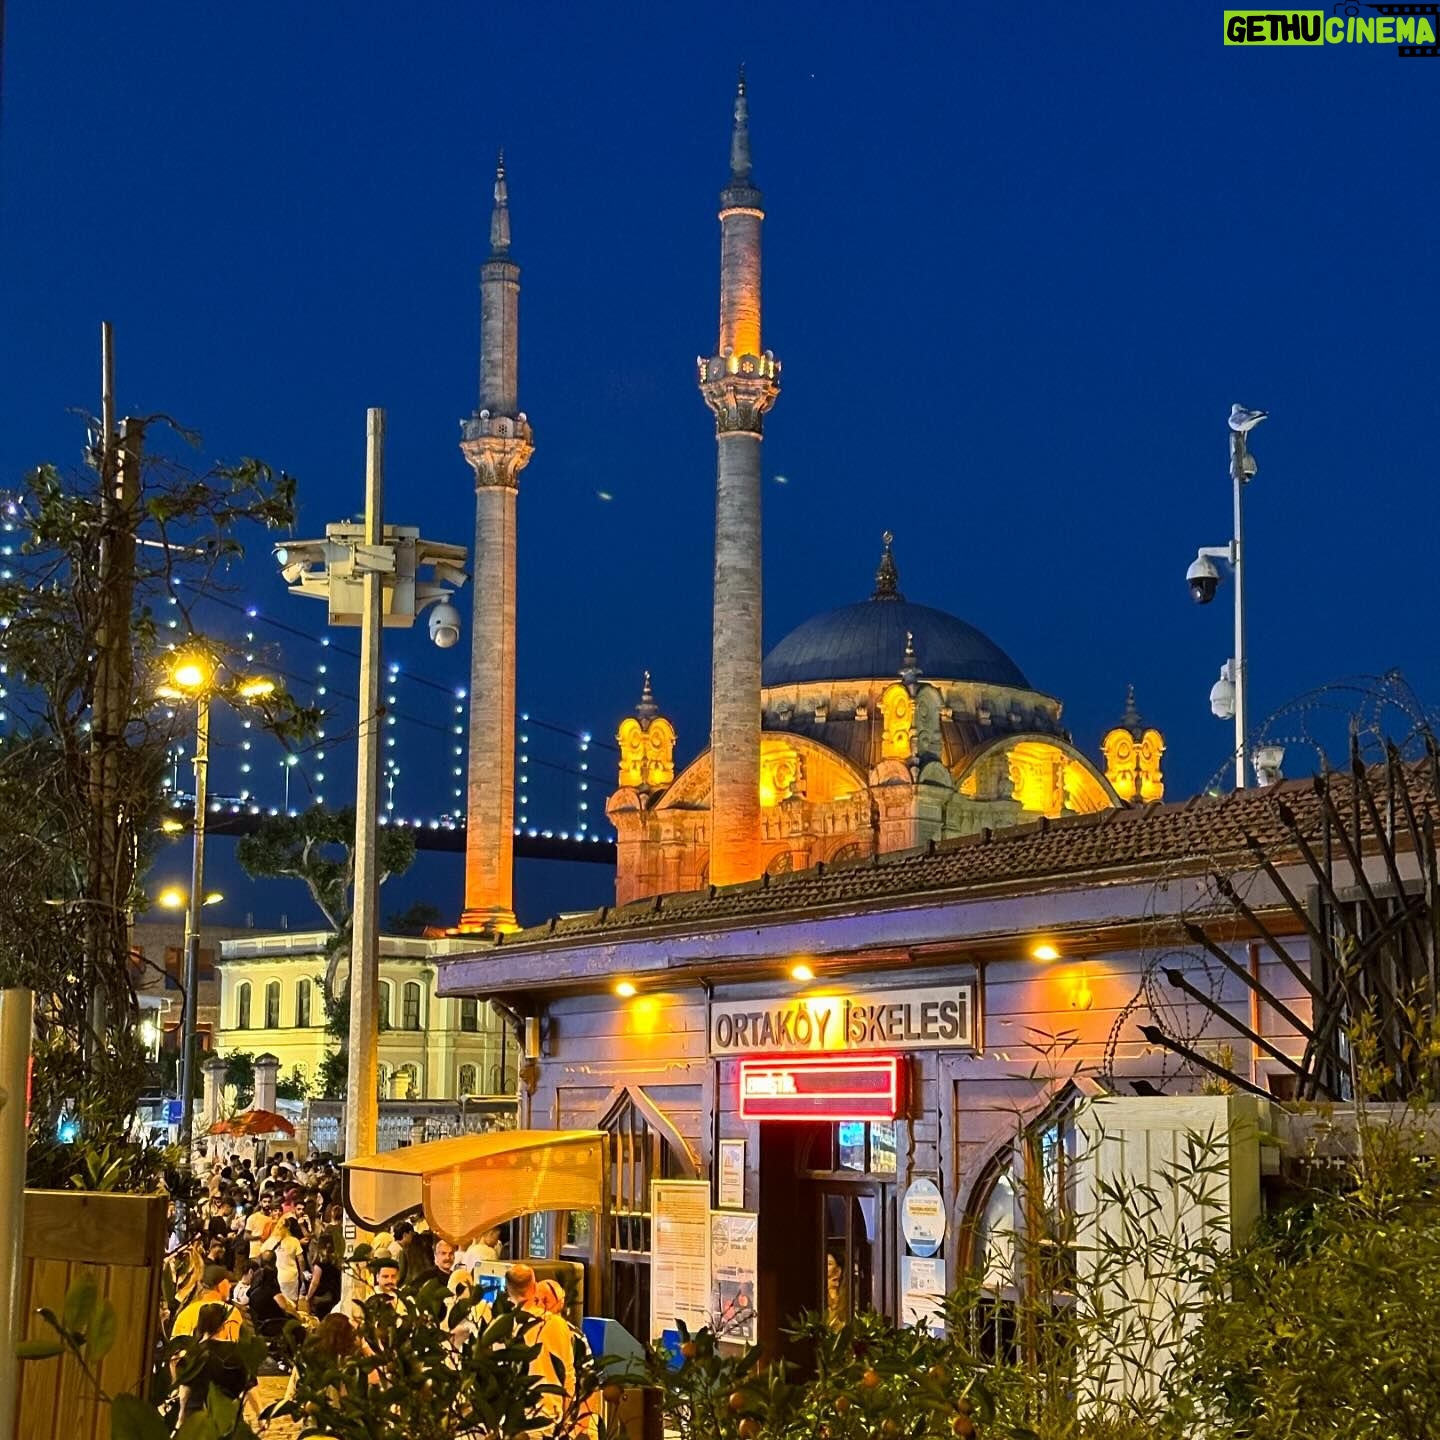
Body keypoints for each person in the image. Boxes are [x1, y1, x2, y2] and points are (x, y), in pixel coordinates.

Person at [505, 1265, 588, 1432]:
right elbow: (568, 1376)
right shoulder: (557, 1324)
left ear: (508, 1291)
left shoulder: (502, 1326)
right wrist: (567, 1424)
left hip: (513, 1423)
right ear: (534, 1287)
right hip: (551, 1419)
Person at [177, 1302, 260, 1426]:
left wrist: (181, 1417)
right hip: (226, 1416)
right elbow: (250, 1387)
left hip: (196, 1418)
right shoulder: (236, 1352)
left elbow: (185, 1391)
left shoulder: (192, 1353)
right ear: (223, 1324)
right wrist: (260, 1414)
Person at [172, 1265, 245, 1345]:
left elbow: (175, 1346)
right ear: (221, 1285)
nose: (230, 1286)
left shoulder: (185, 1313)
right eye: (228, 1282)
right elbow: (234, 1346)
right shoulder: (230, 1313)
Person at [266, 1214, 307, 1305]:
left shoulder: (272, 1240)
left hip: (276, 1277)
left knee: (279, 1304)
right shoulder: (294, 1241)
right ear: (288, 1227)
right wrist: (302, 1275)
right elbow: (301, 1260)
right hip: (291, 1277)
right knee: (292, 1304)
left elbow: (263, 1254)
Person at [304, 1233, 342, 1318]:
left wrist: (308, 1297)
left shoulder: (320, 1264)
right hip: (334, 1295)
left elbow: (315, 1282)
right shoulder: (336, 1261)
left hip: (322, 1296)